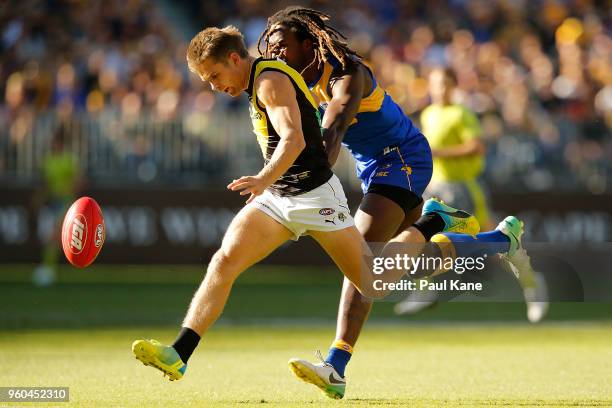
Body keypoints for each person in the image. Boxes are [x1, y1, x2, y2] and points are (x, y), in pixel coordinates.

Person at [131, 25, 478, 392]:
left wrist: (263, 178)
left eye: (215, 75)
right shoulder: (254, 82)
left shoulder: (268, 81)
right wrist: (270, 185)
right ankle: (179, 353)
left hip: (315, 197)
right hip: (279, 197)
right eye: (207, 80)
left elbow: (294, 138)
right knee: (224, 261)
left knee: (372, 282)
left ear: (235, 59)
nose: (214, 86)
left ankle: (434, 220)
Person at [260, 6, 541, 399]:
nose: (275, 54)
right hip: (376, 169)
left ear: (308, 44)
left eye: (282, 45)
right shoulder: (294, 79)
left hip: (403, 157)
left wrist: (307, 179)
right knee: (406, 265)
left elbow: (335, 128)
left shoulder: (347, 73)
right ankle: (498, 239)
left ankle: (336, 367)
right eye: (269, 47)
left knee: (360, 259)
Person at [395, 68, 549, 321]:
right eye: (435, 84)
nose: (439, 89)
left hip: (465, 188)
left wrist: (438, 152)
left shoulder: (462, 113)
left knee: (498, 246)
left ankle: (533, 287)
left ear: (454, 86)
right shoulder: (430, 113)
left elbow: (476, 147)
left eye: (444, 84)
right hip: (437, 188)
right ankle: (425, 291)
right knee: (422, 240)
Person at [32, 130, 81, 286]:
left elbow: (79, 180)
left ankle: (48, 270)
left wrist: (70, 189)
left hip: (66, 202)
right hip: (53, 203)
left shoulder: (68, 160)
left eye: (57, 143)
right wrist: (39, 198)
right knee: (51, 238)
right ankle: (49, 268)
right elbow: (46, 184)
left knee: (55, 235)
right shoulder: (48, 161)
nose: (55, 145)